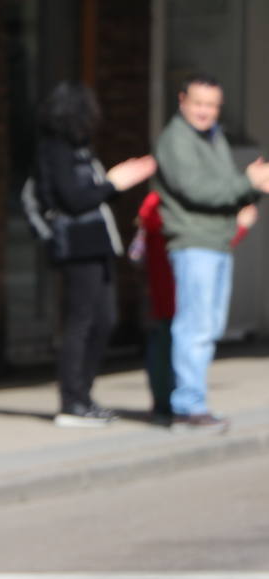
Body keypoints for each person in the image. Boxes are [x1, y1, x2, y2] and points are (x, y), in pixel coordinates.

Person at [34, 81, 155, 428]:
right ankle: (72, 400)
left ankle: (84, 396)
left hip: (96, 243)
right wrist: (113, 184)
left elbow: (89, 193)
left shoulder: (79, 148)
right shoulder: (55, 150)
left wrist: (111, 184)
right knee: (81, 322)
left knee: (105, 320)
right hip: (77, 246)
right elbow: (73, 199)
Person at [152, 72, 269, 430]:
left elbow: (224, 188)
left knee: (209, 326)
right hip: (194, 243)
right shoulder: (176, 140)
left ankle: (193, 401)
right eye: (199, 103)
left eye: (212, 106)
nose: (205, 112)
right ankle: (187, 406)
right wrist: (247, 183)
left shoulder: (211, 136)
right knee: (195, 326)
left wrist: (253, 187)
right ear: (182, 100)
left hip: (216, 241)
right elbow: (199, 190)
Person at [134, 190, 255, 424]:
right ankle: (177, 407)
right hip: (178, 290)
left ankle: (164, 406)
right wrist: (239, 227)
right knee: (174, 344)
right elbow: (205, 245)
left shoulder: (156, 202)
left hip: (166, 290)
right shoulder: (176, 203)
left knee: (164, 341)